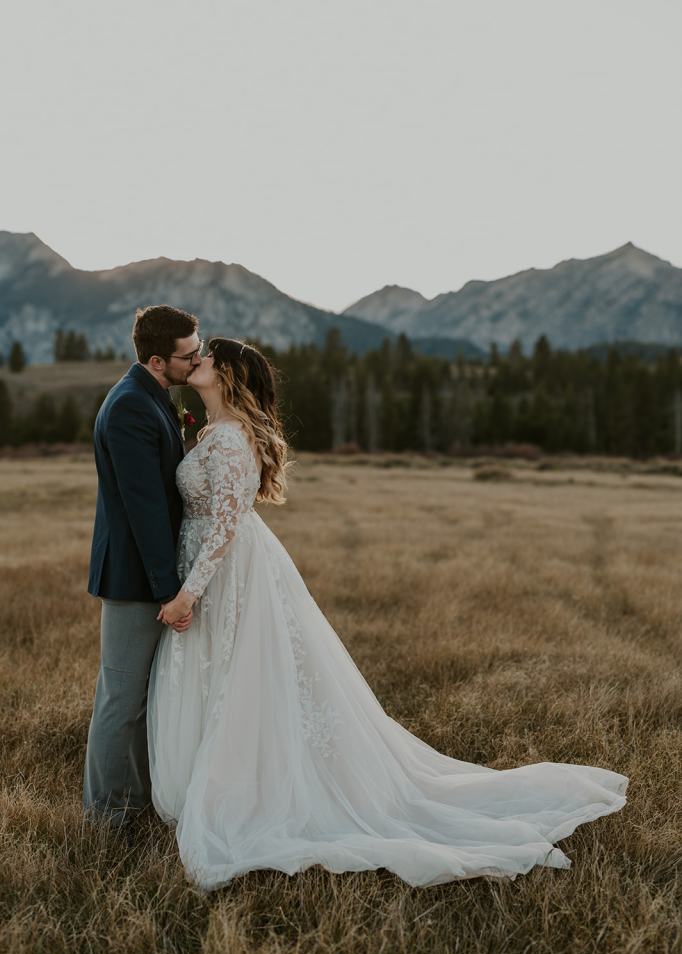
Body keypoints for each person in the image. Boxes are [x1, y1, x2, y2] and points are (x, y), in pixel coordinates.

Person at [147, 338, 628, 889]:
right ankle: (221, 783)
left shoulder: (231, 441)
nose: (197, 359)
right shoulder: (212, 432)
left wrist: (189, 593)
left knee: (240, 680)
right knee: (226, 678)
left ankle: (244, 791)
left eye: (206, 356)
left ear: (228, 375)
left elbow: (227, 527)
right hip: (212, 567)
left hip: (226, 575)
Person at [83, 304, 203, 827]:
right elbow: (144, 507)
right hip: (134, 577)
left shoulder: (150, 396)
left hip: (144, 574)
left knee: (137, 696)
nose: (197, 361)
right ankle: (107, 815)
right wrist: (168, 589)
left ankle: (133, 800)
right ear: (157, 360)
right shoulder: (132, 406)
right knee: (122, 697)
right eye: (188, 355)